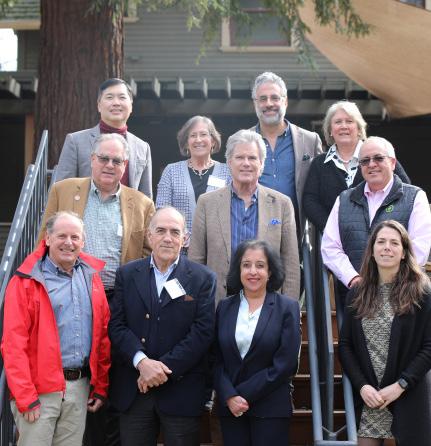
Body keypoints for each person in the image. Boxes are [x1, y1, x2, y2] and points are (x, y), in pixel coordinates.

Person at [108, 206, 216, 445]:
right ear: (149, 235)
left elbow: (202, 332)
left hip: (181, 390)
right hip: (134, 391)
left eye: (175, 232)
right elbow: (117, 325)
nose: (168, 238)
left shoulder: (203, 278)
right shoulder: (127, 274)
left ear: (185, 239)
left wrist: (159, 370)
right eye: (161, 230)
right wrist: (142, 363)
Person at [1, 211, 111, 446]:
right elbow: (13, 344)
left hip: (79, 389)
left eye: (75, 237)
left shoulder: (92, 278)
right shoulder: (25, 281)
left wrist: (100, 385)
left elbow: (101, 335)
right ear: (48, 239)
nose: (68, 243)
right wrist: (25, 396)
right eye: (62, 236)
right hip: (38, 392)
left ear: (83, 242)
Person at [339, 220, 431, 446]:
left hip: (408, 395)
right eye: (380, 242)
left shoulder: (422, 292)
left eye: (394, 243)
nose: (387, 247)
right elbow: (346, 345)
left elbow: (429, 347)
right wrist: (362, 386)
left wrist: (401, 385)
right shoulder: (357, 293)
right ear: (372, 250)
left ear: (404, 252)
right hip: (371, 398)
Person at [189, 129, 300, 304]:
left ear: (262, 164)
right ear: (229, 162)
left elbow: (291, 263)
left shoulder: (282, 204)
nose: (246, 163)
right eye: (240, 157)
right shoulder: (206, 203)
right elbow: (196, 261)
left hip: (268, 304)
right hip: (218, 302)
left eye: (252, 158)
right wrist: (197, 307)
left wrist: (289, 309)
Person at [39, 133, 155, 297]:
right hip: (67, 292)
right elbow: (44, 240)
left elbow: (149, 254)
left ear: (125, 165)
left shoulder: (143, 204)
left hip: (120, 297)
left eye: (117, 161)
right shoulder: (62, 191)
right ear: (92, 159)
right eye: (103, 159)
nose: (110, 165)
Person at [214, 240, 301, 446]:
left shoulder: (287, 307)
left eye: (260, 265)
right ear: (239, 270)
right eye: (246, 265)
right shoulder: (224, 307)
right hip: (231, 410)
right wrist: (229, 396)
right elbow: (214, 358)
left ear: (270, 272)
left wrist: (241, 394)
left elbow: (286, 363)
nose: (253, 271)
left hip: (270, 408)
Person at [321, 136, 431, 291]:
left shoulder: (415, 197)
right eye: (365, 160)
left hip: (402, 295)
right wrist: (353, 279)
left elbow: (419, 248)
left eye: (378, 158)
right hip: (355, 295)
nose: (371, 164)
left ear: (393, 163)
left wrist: (389, 283)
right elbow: (330, 247)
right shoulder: (344, 199)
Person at [303, 101, 410, 232]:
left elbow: (404, 189)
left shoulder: (380, 155)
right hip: (334, 239)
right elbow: (310, 200)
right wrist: (331, 229)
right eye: (338, 122)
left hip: (379, 236)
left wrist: (383, 228)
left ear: (359, 128)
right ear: (330, 130)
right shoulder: (319, 164)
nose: (343, 126)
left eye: (349, 121)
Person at [251, 71, 323, 234]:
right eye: (263, 99)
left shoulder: (310, 140)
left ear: (285, 101)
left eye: (275, 98)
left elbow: (321, 188)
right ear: (255, 103)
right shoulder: (241, 141)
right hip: (253, 231)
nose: (269, 103)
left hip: (298, 231)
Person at [56, 78, 152, 198]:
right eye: (109, 97)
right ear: (99, 106)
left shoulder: (143, 147)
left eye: (122, 97)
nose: (116, 103)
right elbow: (61, 189)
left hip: (127, 210)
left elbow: (145, 197)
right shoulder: (75, 141)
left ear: (131, 106)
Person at [156, 115, 230, 238]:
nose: (198, 140)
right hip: (180, 244)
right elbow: (161, 210)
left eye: (203, 134)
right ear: (186, 143)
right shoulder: (171, 171)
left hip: (216, 244)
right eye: (193, 135)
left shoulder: (227, 172)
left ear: (213, 141)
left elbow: (232, 211)